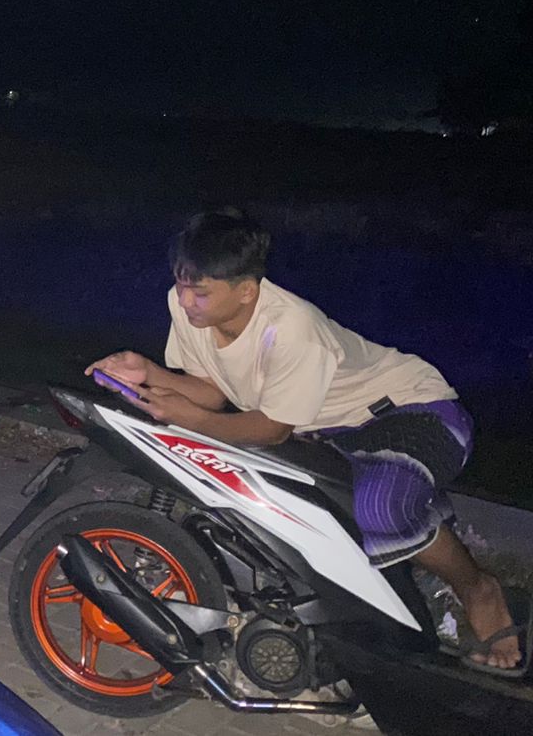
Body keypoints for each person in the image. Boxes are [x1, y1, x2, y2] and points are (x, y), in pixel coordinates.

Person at [87, 209, 525, 677]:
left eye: (201, 292)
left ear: (246, 291)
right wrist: (148, 372)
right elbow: (212, 391)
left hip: (412, 413)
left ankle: (479, 591)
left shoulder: (292, 328)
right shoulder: (189, 310)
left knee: (382, 507)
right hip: (329, 431)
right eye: (181, 285)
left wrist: (191, 418)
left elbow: (271, 429)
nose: (186, 300)